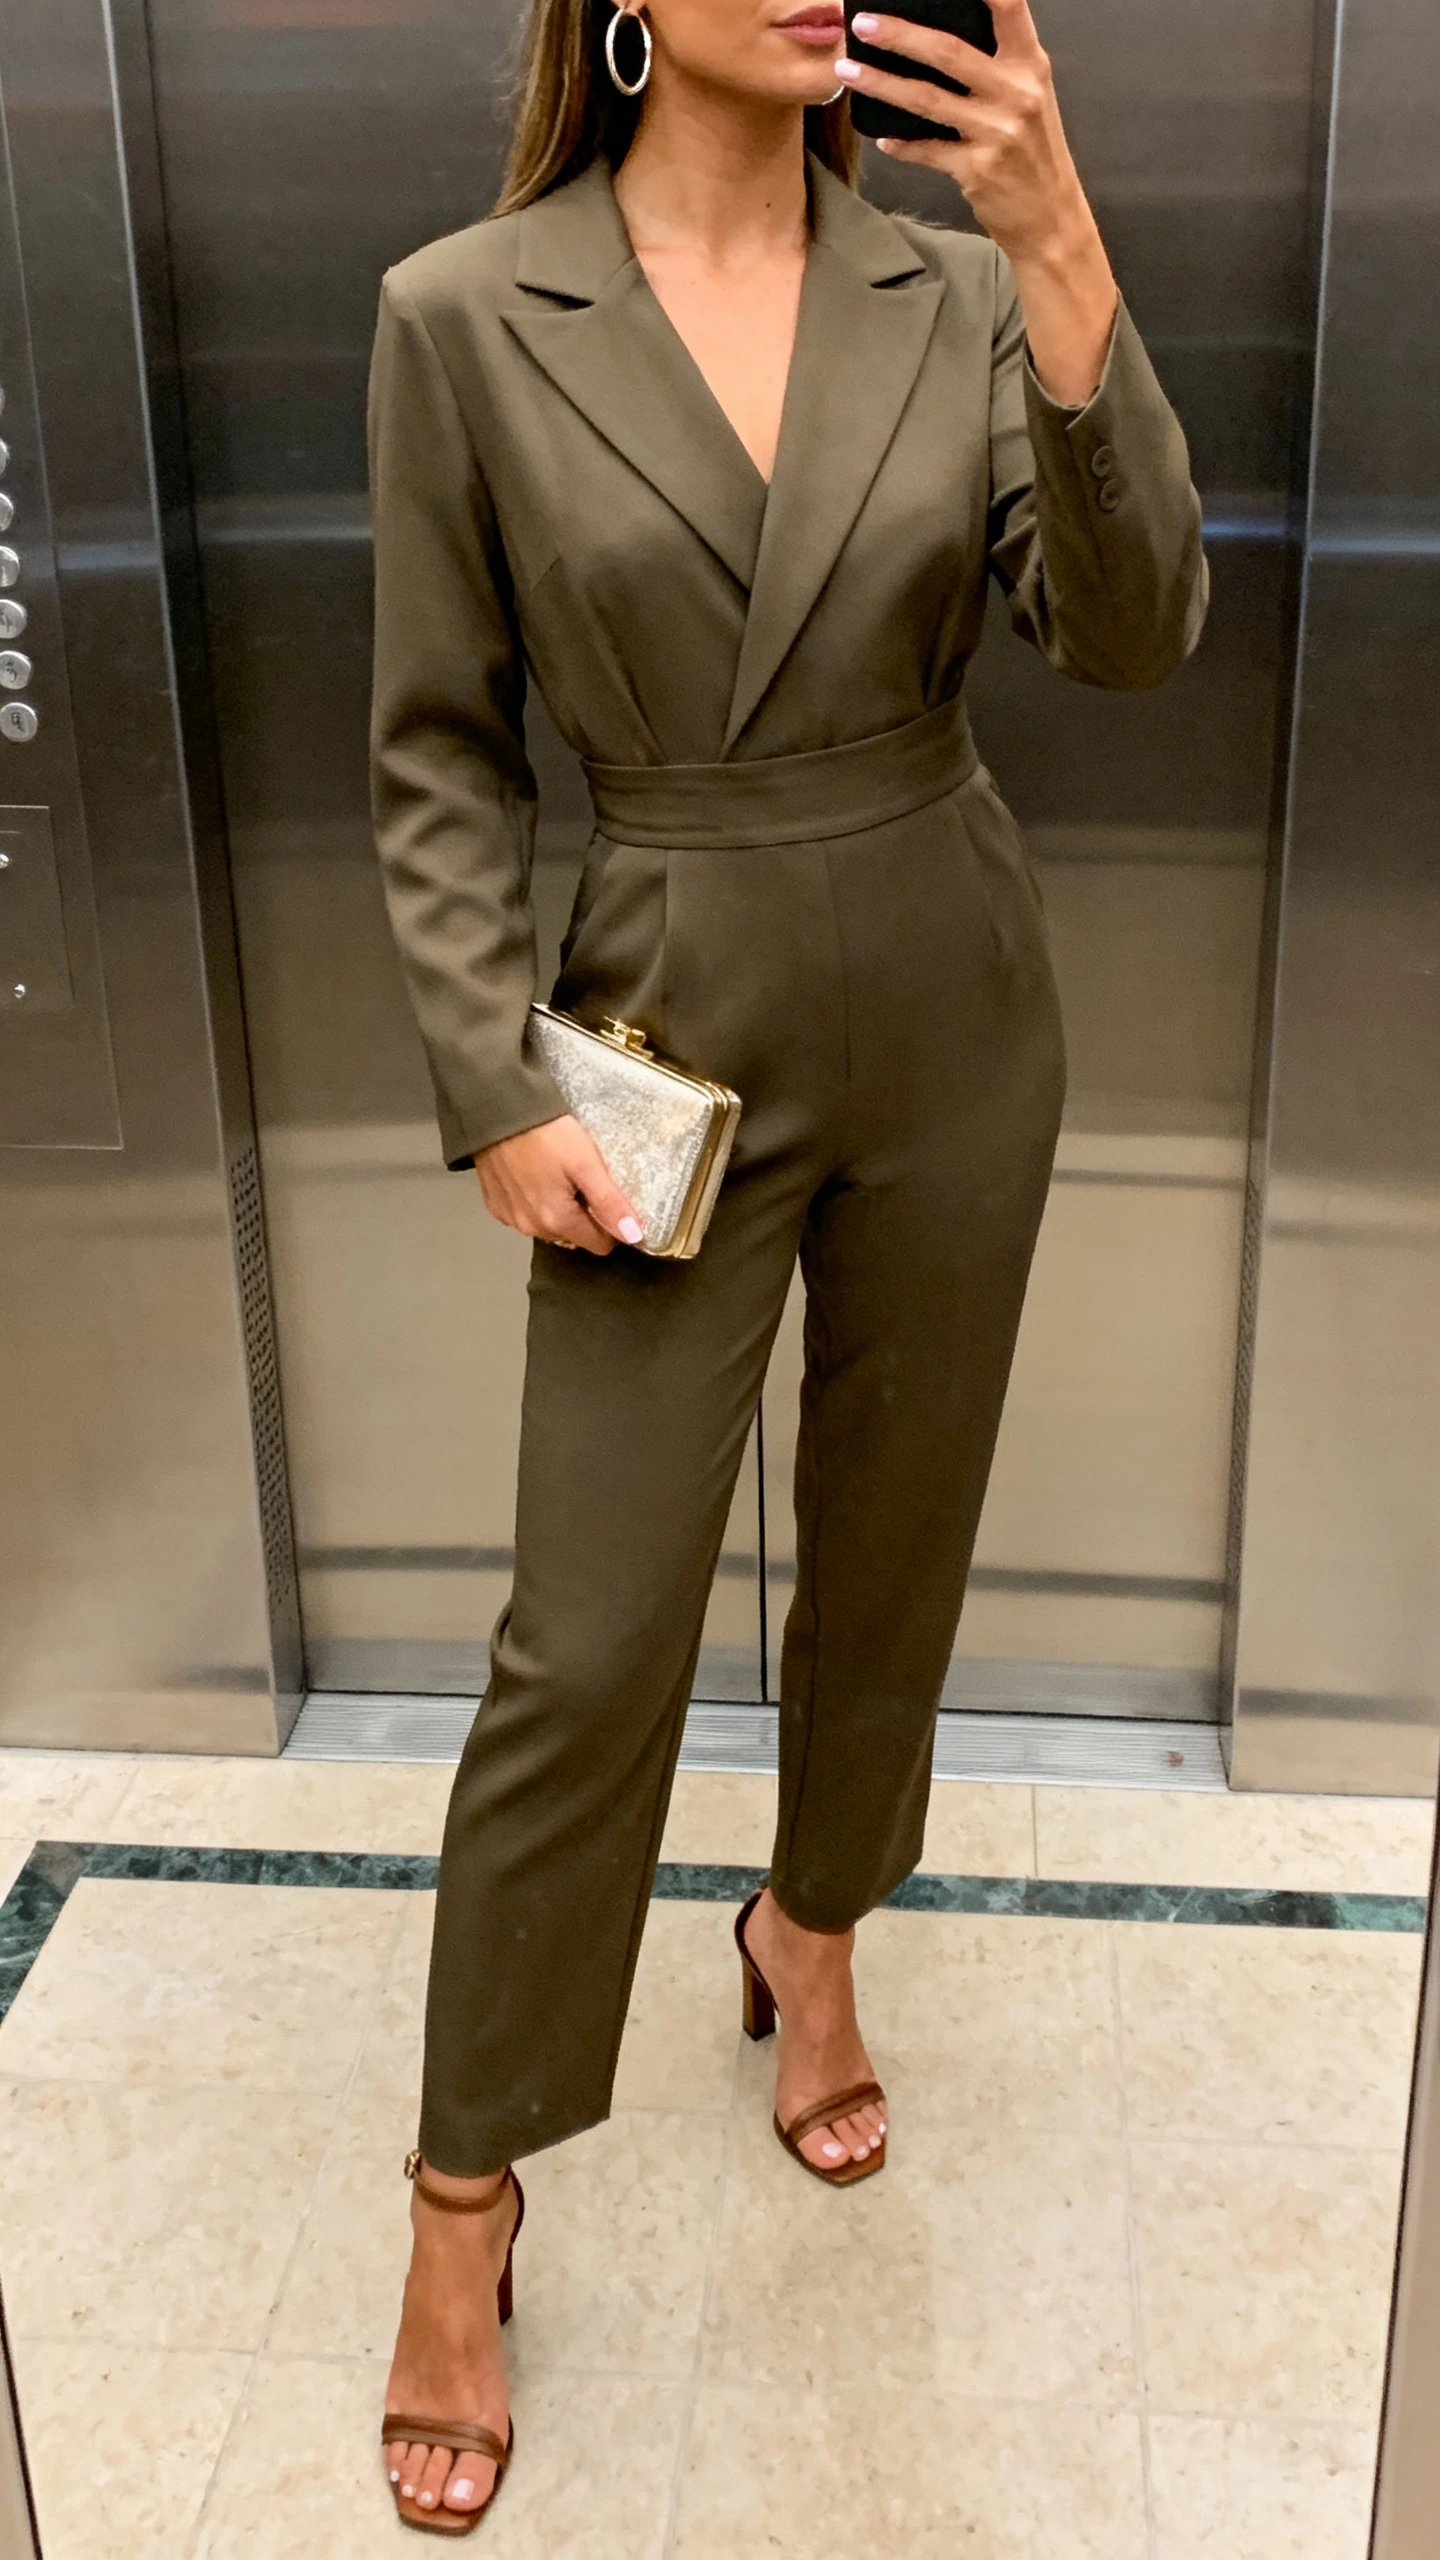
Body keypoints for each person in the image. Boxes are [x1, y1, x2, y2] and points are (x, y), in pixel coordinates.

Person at [367, 0, 1206, 2529]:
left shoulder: (944, 292)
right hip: (658, 1017)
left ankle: (811, 1926)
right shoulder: (465, 312)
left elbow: (1134, 632)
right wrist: (492, 1075)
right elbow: (436, 743)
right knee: (588, 1635)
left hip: (954, 994)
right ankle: (461, 2194)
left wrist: (1059, 242)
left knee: (897, 1542)